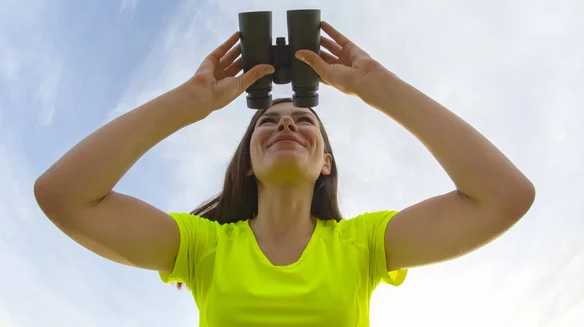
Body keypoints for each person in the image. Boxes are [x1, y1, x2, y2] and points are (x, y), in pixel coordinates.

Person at [34, 21, 535, 326]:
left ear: (326, 162)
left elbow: (504, 196)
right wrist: (188, 103)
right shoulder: (204, 248)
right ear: (248, 165)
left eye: (303, 120)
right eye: (266, 123)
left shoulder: (361, 246)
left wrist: (381, 88)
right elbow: (64, 195)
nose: (286, 123)